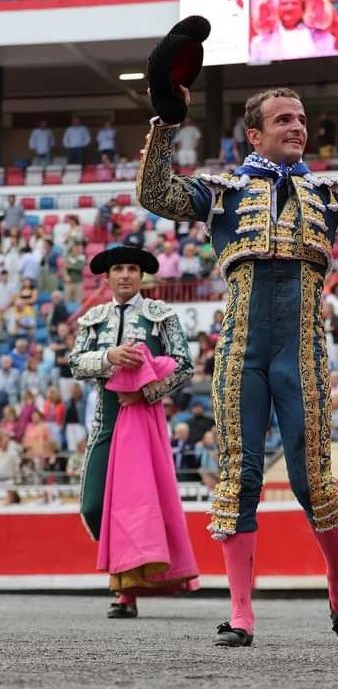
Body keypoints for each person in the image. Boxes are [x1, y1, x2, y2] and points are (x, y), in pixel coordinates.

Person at [137, 78, 338, 646]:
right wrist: (166, 123)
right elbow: (156, 194)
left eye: (301, 119)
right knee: (240, 476)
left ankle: (336, 575)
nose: (298, 127)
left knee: (312, 479)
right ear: (254, 132)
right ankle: (241, 614)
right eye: (284, 119)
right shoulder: (222, 191)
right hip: (240, 353)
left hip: (301, 352)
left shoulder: (330, 193)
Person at [68, 245, 195, 619]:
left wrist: (144, 389)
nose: (125, 275)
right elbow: (76, 363)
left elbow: (185, 364)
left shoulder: (161, 316)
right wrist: (108, 358)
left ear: (142, 277)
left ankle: (126, 594)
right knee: (93, 507)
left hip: (142, 420)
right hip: (106, 423)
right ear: (106, 278)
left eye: (132, 270)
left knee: (139, 507)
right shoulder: (92, 318)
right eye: (118, 269)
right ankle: (130, 578)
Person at [249, 0, 338, 62]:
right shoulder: (258, 42)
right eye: (284, 3)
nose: (289, 8)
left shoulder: (324, 38)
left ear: (302, 7)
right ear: (277, 8)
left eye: (294, 3)